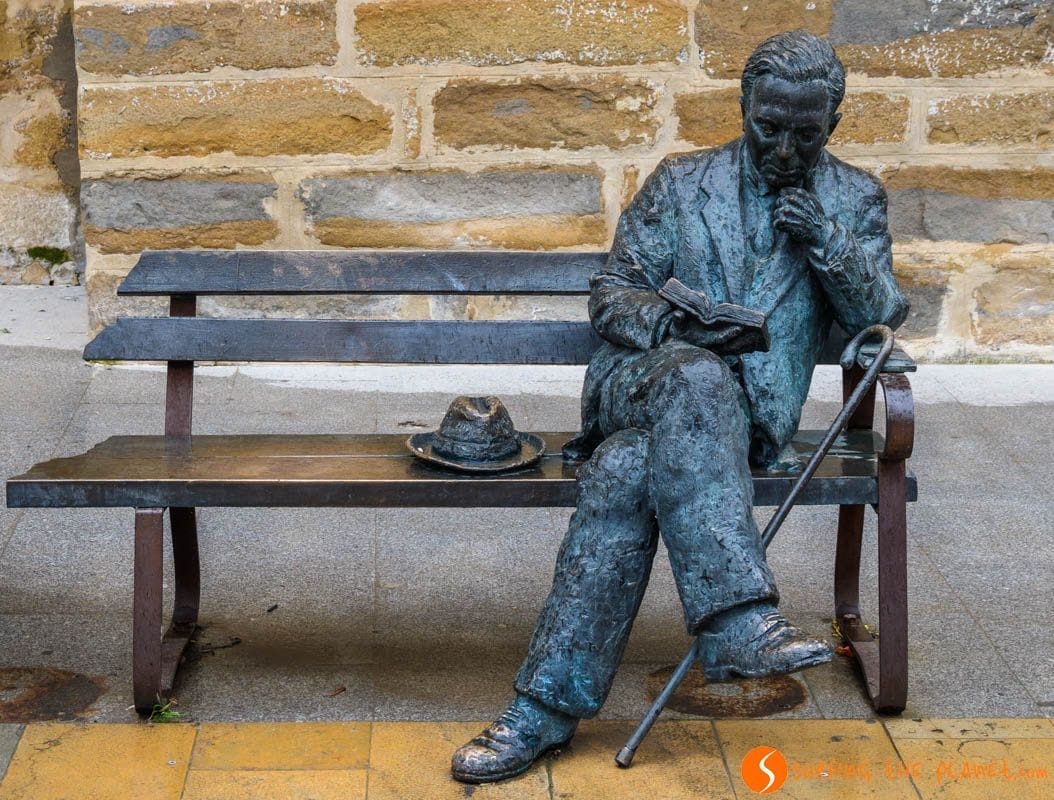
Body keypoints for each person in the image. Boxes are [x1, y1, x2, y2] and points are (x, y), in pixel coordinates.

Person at [452, 29, 908, 784]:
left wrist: (826, 240)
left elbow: (881, 315)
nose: (785, 148)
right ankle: (736, 620)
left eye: (805, 132)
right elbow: (614, 292)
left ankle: (540, 712)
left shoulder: (854, 198)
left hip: (746, 428)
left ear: (832, 123)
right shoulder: (681, 182)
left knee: (627, 475)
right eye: (769, 127)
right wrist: (672, 325)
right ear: (743, 106)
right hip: (639, 386)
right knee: (693, 377)